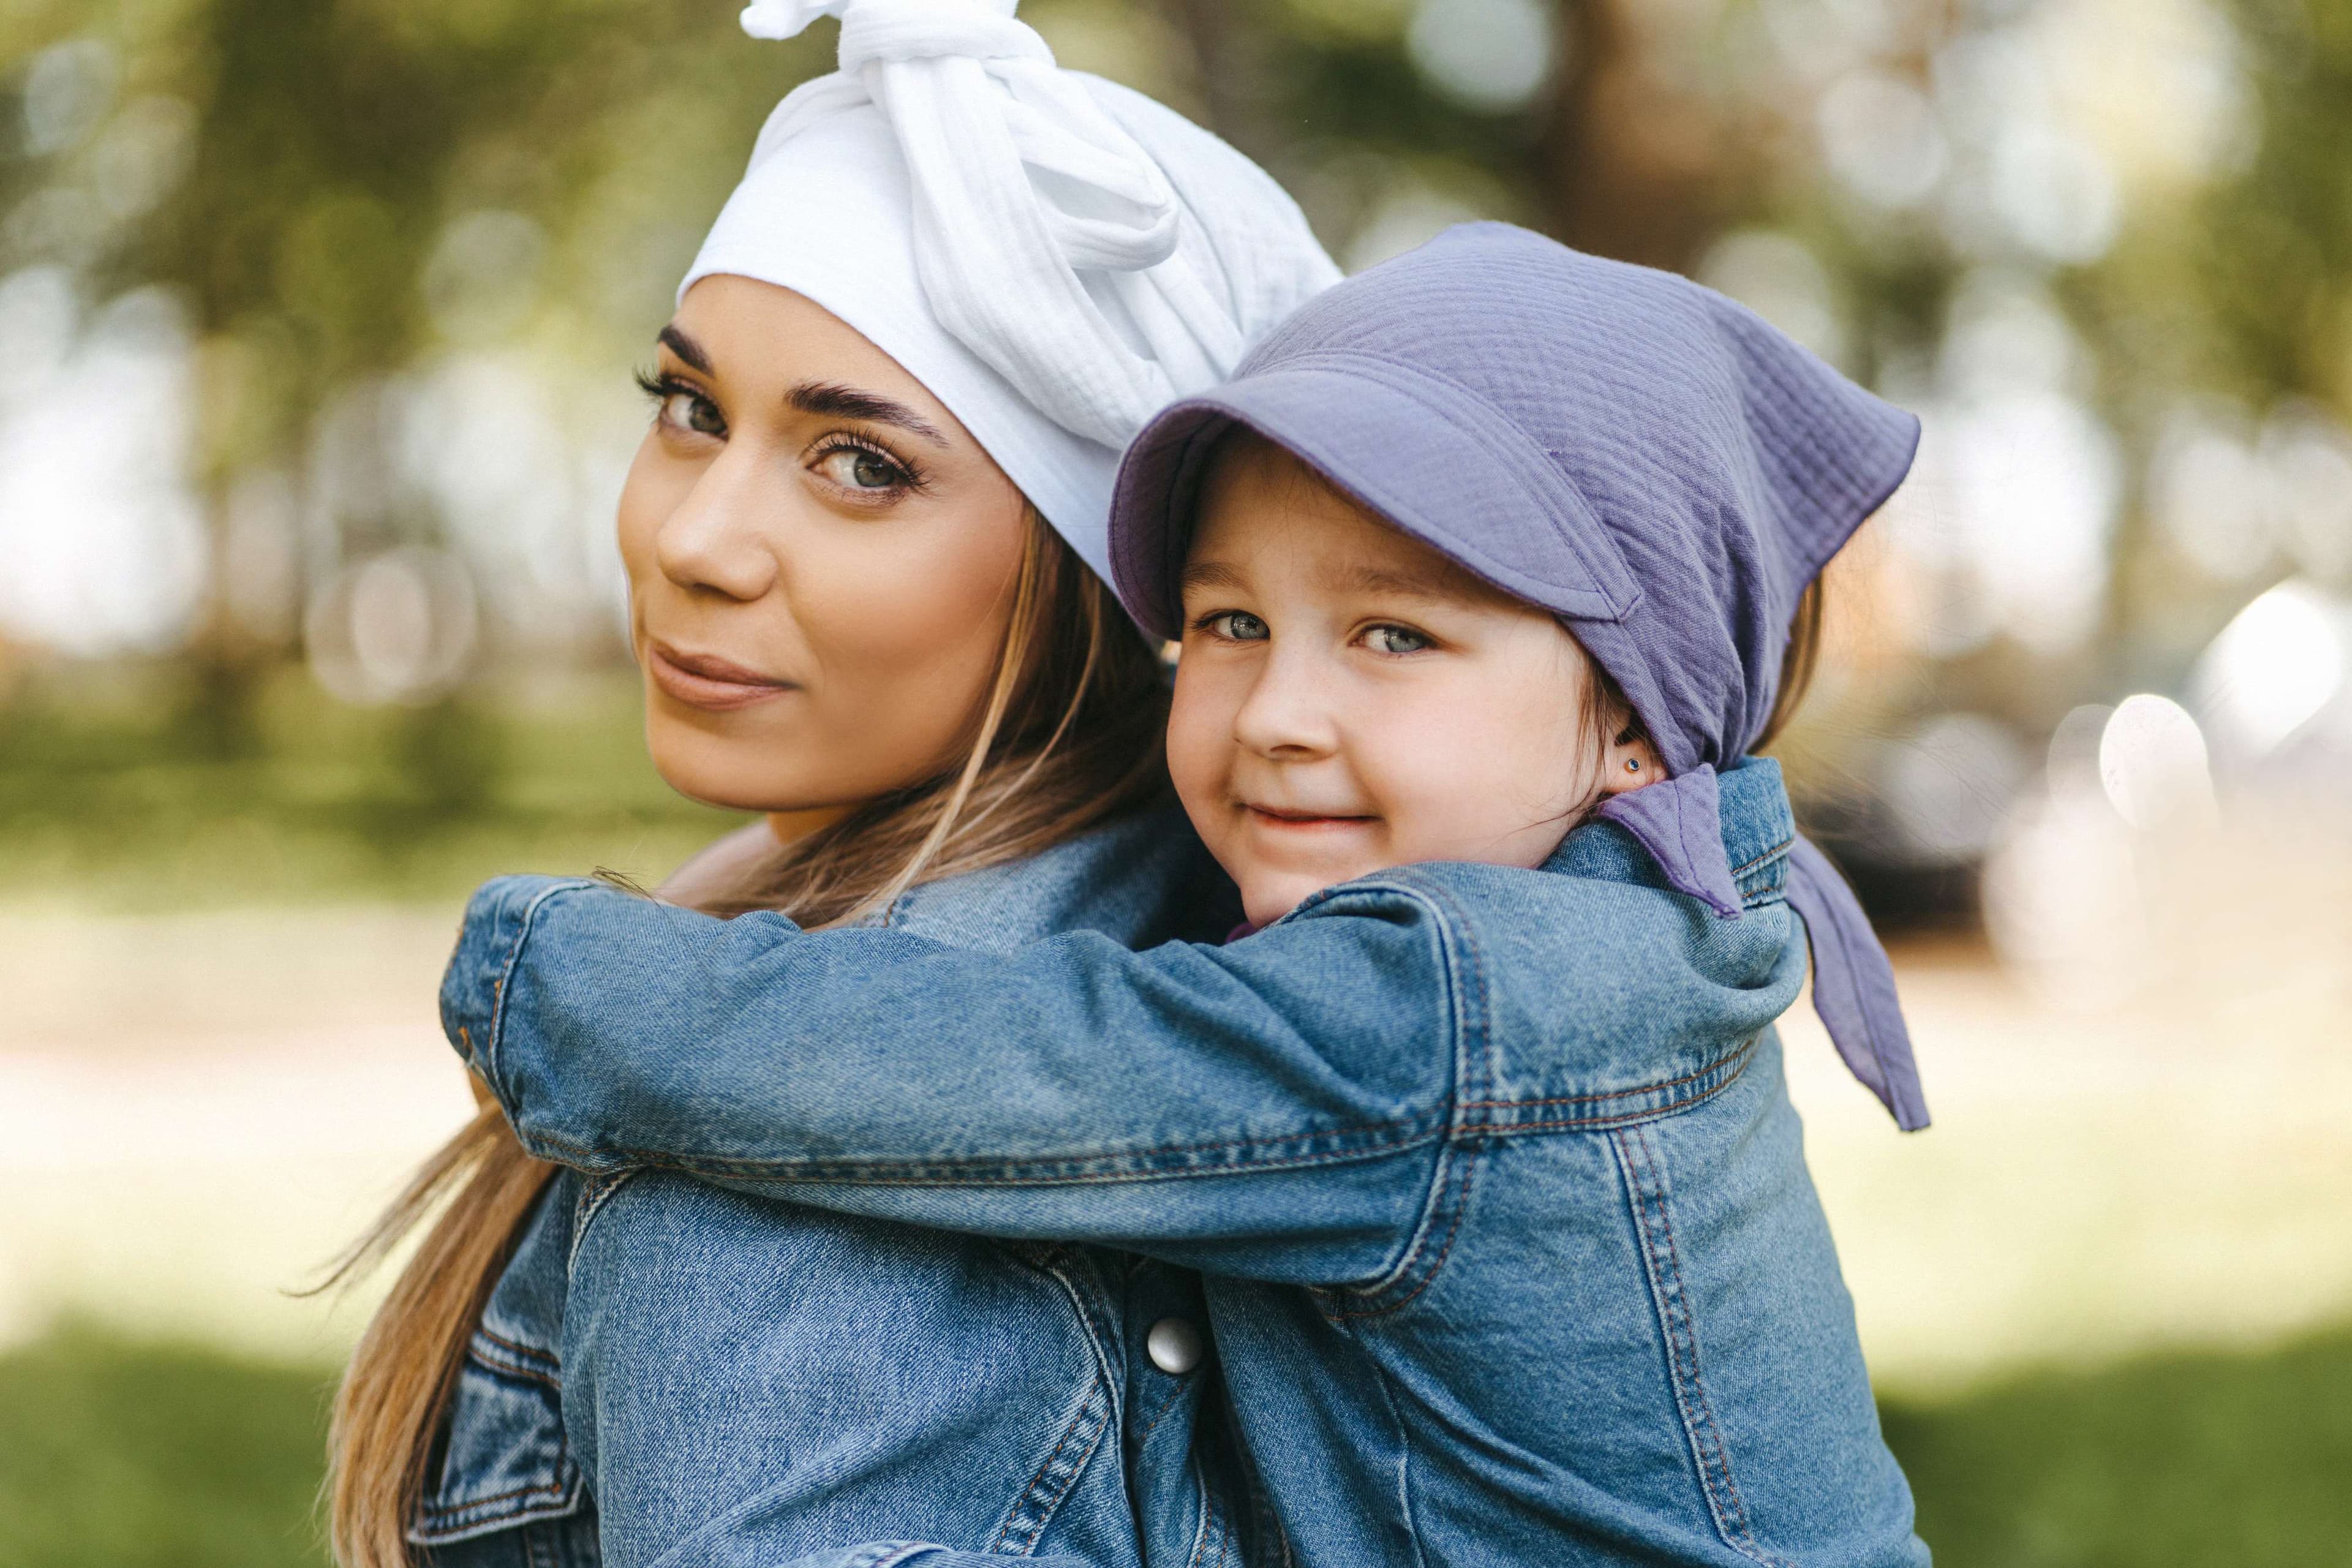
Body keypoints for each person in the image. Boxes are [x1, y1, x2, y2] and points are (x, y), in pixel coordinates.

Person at [446, 224, 1936, 1564]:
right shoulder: (1616, 939)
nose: (1280, 708)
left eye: (1394, 635)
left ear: (1633, 718)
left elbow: (1017, 1073)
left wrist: (551, 973)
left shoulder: (1466, 1014)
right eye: (1232, 620)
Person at [323, 2, 1338, 1564]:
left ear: (1095, 578)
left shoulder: (787, 1134)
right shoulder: (1174, 923)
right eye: (690, 408)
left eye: (861, 463)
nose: (694, 540)